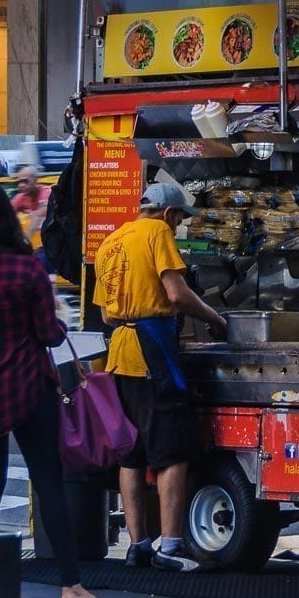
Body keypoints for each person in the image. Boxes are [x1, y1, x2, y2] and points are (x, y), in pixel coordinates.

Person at [0, 181, 113, 598]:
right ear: (4, 218)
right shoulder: (26, 269)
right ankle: (71, 587)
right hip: (28, 388)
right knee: (48, 481)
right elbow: (49, 333)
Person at [93, 182, 228, 572]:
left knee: (132, 454)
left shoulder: (112, 241)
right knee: (172, 452)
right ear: (168, 214)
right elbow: (176, 294)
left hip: (119, 353)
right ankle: (170, 546)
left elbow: (104, 315)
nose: (180, 224)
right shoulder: (157, 233)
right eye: (181, 217)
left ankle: (139, 545)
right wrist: (216, 319)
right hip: (151, 355)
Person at [11, 164, 51, 237]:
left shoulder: (46, 191)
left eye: (25, 181)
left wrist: (26, 241)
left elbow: (38, 215)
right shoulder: (20, 197)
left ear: (35, 180)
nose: (21, 185)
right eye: (19, 182)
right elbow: (7, 214)